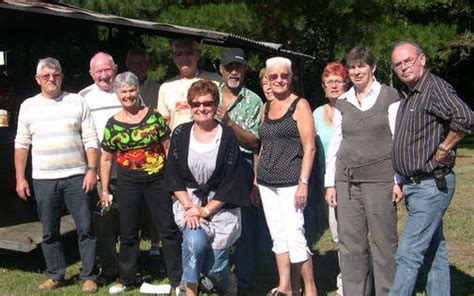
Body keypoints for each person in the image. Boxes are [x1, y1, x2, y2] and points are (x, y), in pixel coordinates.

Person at [389, 41, 473, 296]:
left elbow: (465, 117)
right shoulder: (409, 92)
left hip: (431, 185)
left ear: (422, 59)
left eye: (408, 61)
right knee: (434, 252)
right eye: (398, 64)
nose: (403, 67)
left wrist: (446, 147)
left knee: (408, 252)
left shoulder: (433, 87)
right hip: (415, 185)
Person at [14, 57, 98, 293]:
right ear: (38, 79)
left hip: (76, 176)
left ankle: (89, 276)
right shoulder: (28, 106)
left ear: (62, 76)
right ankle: (56, 274)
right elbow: (22, 144)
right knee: (49, 231)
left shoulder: (77, 101)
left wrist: (91, 170)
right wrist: (20, 177)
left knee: (85, 228)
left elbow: (91, 138)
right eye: (46, 76)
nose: (52, 79)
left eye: (56, 75)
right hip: (43, 178)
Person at [324, 47, 402, 296]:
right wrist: (330, 184)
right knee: (351, 245)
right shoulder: (343, 102)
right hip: (346, 183)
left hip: (381, 181)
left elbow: (398, 140)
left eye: (362, 66)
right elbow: (336, 144)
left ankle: (386, 291)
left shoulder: (390, 97)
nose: (357, 71)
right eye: (353, 67)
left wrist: (397, 181)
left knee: (384, 244)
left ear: (373, 68)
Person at [99, 72, 182, 294]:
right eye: (123, 91)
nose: (128, 95)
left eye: (132, 90)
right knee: (127, 232)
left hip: (158, 180)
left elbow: (168, 148)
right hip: (127, 183)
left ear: (138, 91)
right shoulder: (112, 124)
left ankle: (178, 278)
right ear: (117, 94)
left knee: (168, 229)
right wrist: (105, 189)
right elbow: (106, 159)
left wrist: (174, 179)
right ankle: (127, 278)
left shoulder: (153, 117)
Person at [165, 79, 248, 296]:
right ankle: (189, 291)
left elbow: (231, 182)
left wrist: (206, 210)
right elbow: (174, 175)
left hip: (221, 206)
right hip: (189, 202)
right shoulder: (181, 133)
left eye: (207, 103)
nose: (201, 108)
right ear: (190, 106)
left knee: (215, 269)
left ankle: (229, 279)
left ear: (215, 105)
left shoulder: (228, 136)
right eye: (196, 104)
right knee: (194, 243)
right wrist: (190, 207)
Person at [257, 57, 317, 296]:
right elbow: (263, 145)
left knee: (295, 235)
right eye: (274, 77)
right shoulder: (265, 106)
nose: (279, 80)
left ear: (291, 78)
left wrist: (303, 183)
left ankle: (310, 288)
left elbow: (310, 147)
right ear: (268, 80)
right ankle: (285, 287)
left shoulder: (300, 105)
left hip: (292, 181)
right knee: (278, 235)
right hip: (266, 182)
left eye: (284, 76)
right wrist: (255, 179)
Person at [215, 48, 263, 291]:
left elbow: (254, 142)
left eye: (239, 67)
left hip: (241, 167)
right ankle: (215, 276)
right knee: (212, 222)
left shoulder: (253, 100)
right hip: (212, 168)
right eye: (229, 67)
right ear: (221, 70)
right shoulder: (209, 95)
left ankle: (242, 279)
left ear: (245, 70)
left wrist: (228, 123)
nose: (234, 72)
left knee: (244, 227)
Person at [79, 52, 122, 282]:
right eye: (99, 71)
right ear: (91, 74)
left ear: (115, 69)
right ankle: (109, 268)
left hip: (125, 170)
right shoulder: (83, 97)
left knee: (127, 221)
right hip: (97, 172)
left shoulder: (126, 90)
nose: (104, 75)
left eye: (107, 70)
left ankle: (127, 267)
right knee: (103, 223)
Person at [313, 62, 348, 296]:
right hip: (324, 184)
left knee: (348, 233)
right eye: (329, 82)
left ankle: (348, 281)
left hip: (348, 180)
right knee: (336, 232)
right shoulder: (316, 113)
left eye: (338, 81)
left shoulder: (353, 110)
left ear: (346, 84)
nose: (333, 85)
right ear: (324, 87)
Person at [126, 47, 162, 257]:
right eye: (133, 63)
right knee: (132, 207)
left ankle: (156, 246)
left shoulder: (158, 89)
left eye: (141, 63)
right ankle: (132, 248)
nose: (138, 67)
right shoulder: (122, 89)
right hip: (129, 157)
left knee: (154, 206)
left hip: (154, 154)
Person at [157, 38, 222, 131]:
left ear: (197, 55)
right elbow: (163, 124)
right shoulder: (166, 87)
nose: (184, 58)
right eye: (179, 54)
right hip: (178, 143)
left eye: (188, 52)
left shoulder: (215, 81)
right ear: (174, 58)